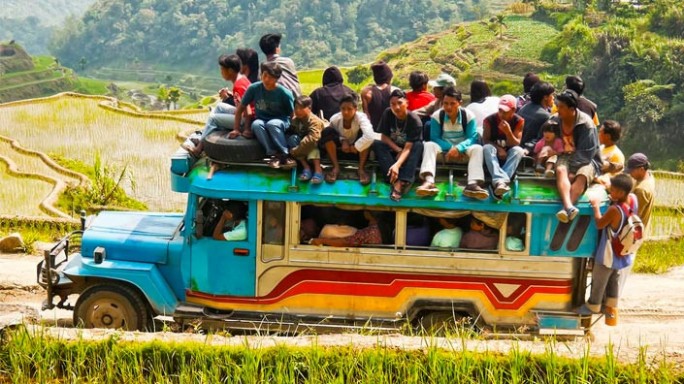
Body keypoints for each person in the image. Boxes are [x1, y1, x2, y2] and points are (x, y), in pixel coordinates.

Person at [580, 174, 637, 325]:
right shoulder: (631, 202)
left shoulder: (614, 209)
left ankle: (592, 307)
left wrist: (596, 207)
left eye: (612, 190)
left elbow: (600, 223)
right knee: (613, 282)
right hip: (621, 254)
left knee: (599, 282)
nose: (610, 191)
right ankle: (611, 315)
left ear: (620, 192)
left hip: (608, 254)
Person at [415, 86, 489, 200]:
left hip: (463, 154)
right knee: (429, 145)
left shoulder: (468, 116)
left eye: (452, 103)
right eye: (445, 103)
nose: (448, 107)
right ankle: (429, 181)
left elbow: (472, 138)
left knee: (477, 148)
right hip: (444, 154)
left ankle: (473, 184)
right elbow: (434, 138)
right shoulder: (437, 116)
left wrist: (459, 148)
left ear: (460, 103)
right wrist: (451, 148)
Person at [184, 54, 252, 157]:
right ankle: (204, 137)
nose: (221, 72)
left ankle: (198, 149)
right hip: (242, 114)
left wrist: (244, 129)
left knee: (213, 118)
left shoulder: (239, 85)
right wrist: (231, 95)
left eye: (222, 70)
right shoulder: (241, 79)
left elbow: (247, 110)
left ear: (229, 70)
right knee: (220, 106)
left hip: (245, 120)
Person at [232, 62, 296, 168]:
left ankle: (285, 154)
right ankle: (274, 154)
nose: (266, 79)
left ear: (277, 78)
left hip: (281, 121)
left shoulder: (284, 93)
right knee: (256, 124)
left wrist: (293, 131)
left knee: (272, 124)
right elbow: (240, 109)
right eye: (264, 75)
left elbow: (292, 114)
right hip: (262, 120)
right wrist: (236, 129)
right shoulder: (254, 88)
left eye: (270, 77)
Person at [552, 90, 602, 223]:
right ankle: (569, 206)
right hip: (564, 155)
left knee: (581, 176)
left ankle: (566, 209)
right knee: (561, 170)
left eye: (562, 107)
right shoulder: (555, 121)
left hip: (587, 158)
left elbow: (586, 154)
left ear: (572, 109)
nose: (558, 109)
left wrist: (573, 171)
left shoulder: (586, 124)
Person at [373, 89, 424, 202]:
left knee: (418, 145)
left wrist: (397, 164)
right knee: (377, 143)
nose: (396, 107)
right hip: (394, 149)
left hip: (408, 151)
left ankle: (403, 180)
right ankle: (394, 179)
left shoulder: (415, 121)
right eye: (393, 104)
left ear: (407, 103)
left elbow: (408, 147)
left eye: (400, 103)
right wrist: (397, 149)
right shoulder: (387, 113)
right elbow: (384, 136)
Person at [319, 93, 378, 185]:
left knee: (365, 135)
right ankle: (336, 167)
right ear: (340, 109)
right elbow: (330, 136)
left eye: (349, 109)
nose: (346, 112)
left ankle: (361, 169)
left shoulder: (361, 118)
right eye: (343, 109)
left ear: (355, 109)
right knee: (327, 131)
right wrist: (343, 140)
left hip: (357, 153)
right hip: (340, 152)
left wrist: (356, 146)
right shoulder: (335, 119)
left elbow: (369, 136)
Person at [482, 95, 525, 198]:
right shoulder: (489, 120)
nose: (501, 114)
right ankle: (501, 182)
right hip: (494, 155)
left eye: (505, 112)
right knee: (487, 148)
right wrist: (499, 149)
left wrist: (508, 132)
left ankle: (499, 182)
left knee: (518, 150)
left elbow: (515, 143)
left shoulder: (518, 121)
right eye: (500, 110)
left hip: (509, 155)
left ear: (513, 110)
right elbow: (486, 140)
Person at [289, 96, 324, 182]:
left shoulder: (315, 121)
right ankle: (306, 167)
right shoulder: (295, 120)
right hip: (302, 146)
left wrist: (296, 151)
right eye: (296, 108)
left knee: (313, 145)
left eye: (301, 108)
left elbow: (313, 138)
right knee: (292, 139)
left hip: (319, 146)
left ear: (309, 108)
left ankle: (318, 170)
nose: (298, 111)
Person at [519, 81, 555, 155]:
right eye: (552, 95)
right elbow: (541, 138)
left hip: (516, 146)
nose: (553, 98)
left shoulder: (524, 108)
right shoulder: (545, 116)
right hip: (529, 151)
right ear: (545, 97)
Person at [310, 211, 382, 247]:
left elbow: (346, 242)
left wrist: (321, 241)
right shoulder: (380, 228)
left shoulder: (371, 232)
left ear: (368, 213)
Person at [361, 61, 398, 130]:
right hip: (392, 131)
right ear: (388, 77)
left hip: (374, 131)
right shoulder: (395, 91)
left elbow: (366, 115)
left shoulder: (367, 93)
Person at [596, 120, 625, 188]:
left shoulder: (616, 155)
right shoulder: (600, 148)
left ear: (608, 136)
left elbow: (611, 180)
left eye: (600, 132)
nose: (598, 134)